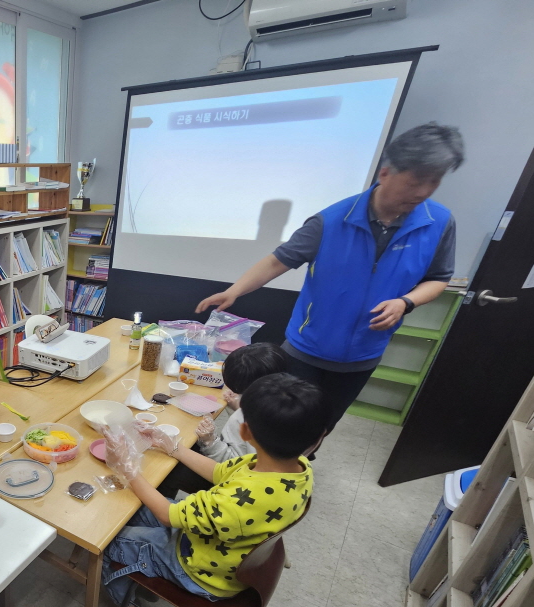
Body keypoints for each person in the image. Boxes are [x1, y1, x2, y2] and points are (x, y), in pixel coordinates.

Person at [196, 123, 465, 430]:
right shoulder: (332, 221)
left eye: (434, 182)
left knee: (321, 427)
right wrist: (235, 291)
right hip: (305, 350)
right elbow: (277, 261)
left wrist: (406, 302)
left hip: (364, 353)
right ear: (385, 173)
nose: (423, 192)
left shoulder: (439, 222)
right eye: (415, 182)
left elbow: (439, 278)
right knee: (278, 425)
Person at [101, 373, 327, 607]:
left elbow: (167, 516)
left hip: (200, 571)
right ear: (318, 438)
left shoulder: (235, 502)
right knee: (134, 511)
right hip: (219, 548)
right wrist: (173, 448)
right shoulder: (299, 467)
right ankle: (142, 575)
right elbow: (221, 472)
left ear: (245, 431)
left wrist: (128, 469)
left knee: (106, 540)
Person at [161, 342, 290, 496]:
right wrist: (238, 407)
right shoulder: (285, 404)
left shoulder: (248, 420)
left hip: (239, 486)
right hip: (269, 480)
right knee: (188, 445)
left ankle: (158, 509)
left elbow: (233, 467)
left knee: (168, 469)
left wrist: (210, 442)